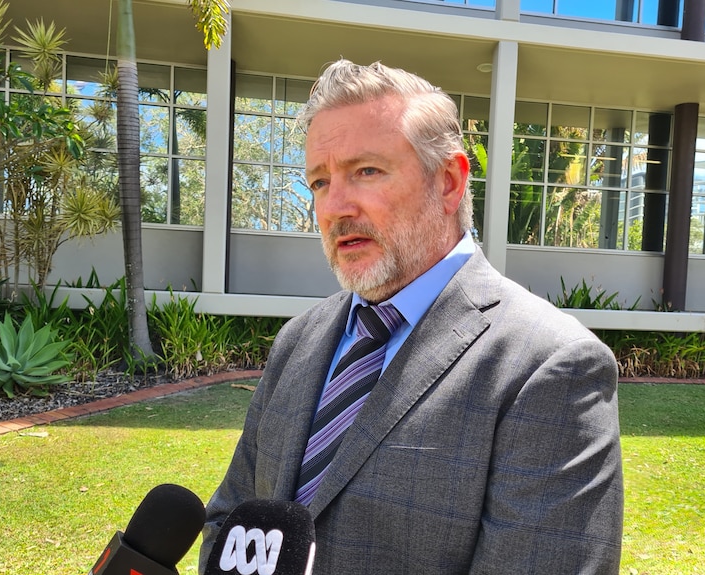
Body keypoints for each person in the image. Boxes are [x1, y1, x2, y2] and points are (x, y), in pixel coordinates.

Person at [200, 59, 623, 574]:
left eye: (366, 172)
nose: (335, 207)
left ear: (448, 182)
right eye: (319, 182)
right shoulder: (298, 340)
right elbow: (229, 523)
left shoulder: (550, 366)